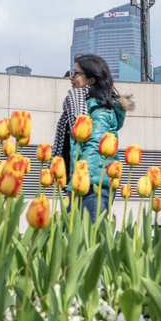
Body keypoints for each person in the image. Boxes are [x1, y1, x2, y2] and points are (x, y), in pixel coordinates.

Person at [51, 54, 134, 221]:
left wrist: (78, 181)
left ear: (91, 80)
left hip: (92, 185)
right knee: (67, 240)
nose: (71, 77)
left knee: (88, 240)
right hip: (78, 182)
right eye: (70, 73)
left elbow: (95, 146)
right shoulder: (77, 104)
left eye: (75, 73)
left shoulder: (99, 107)